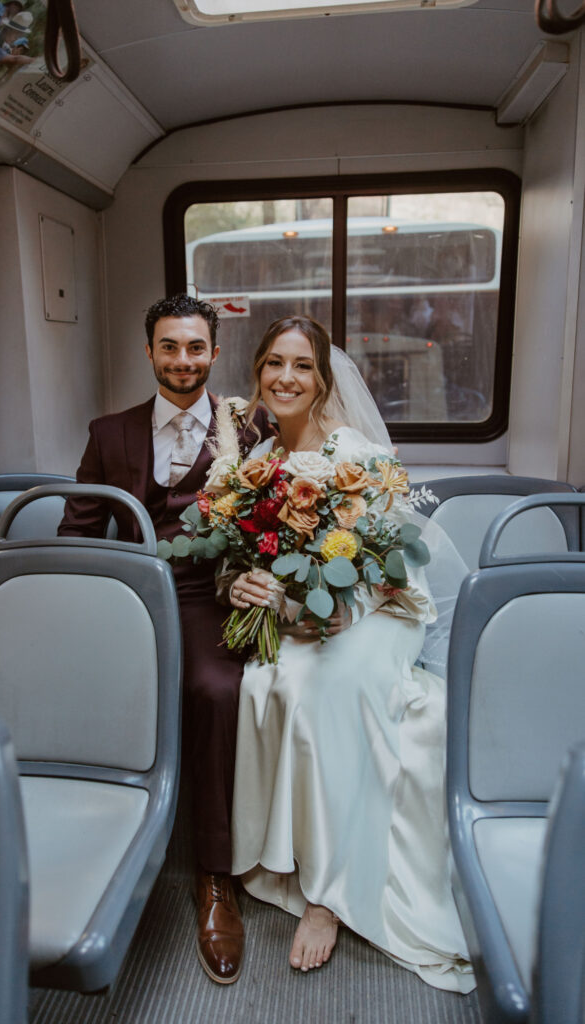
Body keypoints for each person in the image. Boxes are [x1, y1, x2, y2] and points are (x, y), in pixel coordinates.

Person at [225, 315, 475, 993]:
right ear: (257, 373)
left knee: (335, 689)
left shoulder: (355, 455)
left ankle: (327, 898)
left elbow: (380, 569)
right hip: (299, 607)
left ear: (322, 380)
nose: (285, 377)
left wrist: (310, 603)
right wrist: (244, 581)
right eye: (274, 363)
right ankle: (279, 852)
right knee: (264, 681)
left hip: (379, 604)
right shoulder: (253, 463)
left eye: (301, 365)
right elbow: (249, 553)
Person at [58, 294, 271, 985]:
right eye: (170, 347)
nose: (183, 361)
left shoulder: (252, 424)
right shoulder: (109, 431)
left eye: (195, 348)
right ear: (148, 352)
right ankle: (87, 849)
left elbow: (274, 522)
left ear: (214, 354)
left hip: (209, 590)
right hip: (130, 589)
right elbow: (79, 531)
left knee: (214, 689)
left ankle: (213, 875)